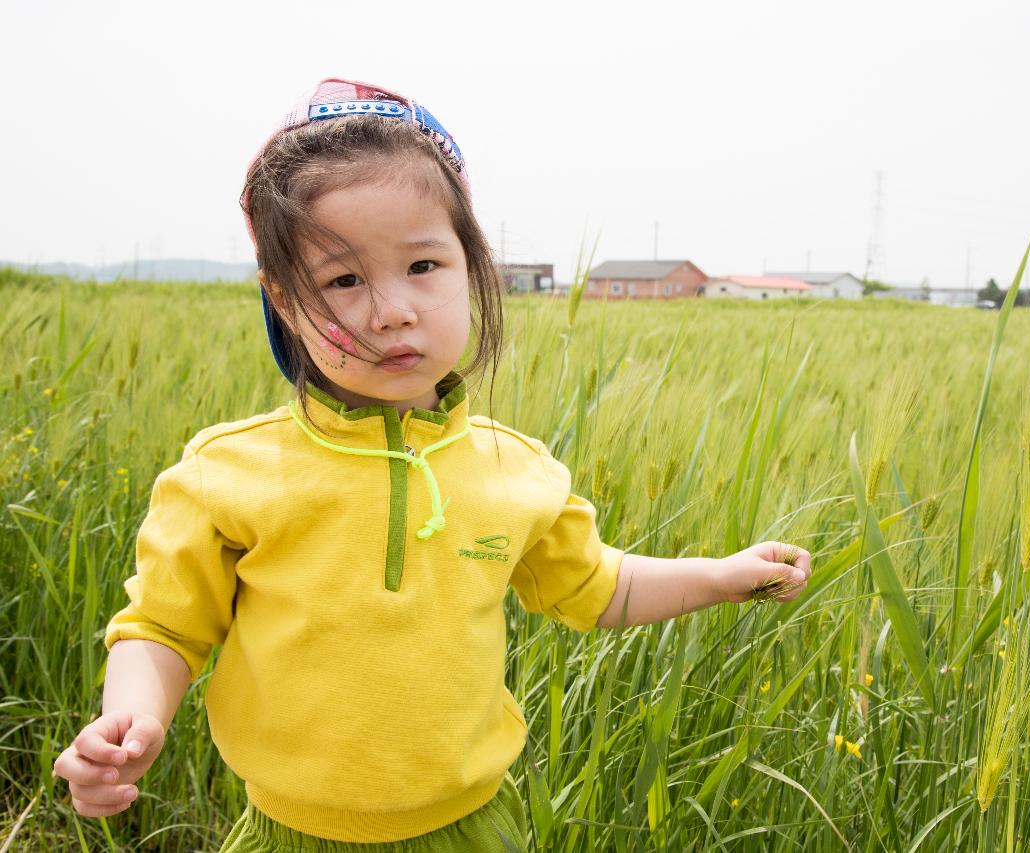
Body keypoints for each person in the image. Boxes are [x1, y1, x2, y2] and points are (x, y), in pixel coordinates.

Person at [52, 77, 812, 851]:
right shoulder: (225, 474)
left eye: (423, 266)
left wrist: (720, 575)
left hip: (473, 829)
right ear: (282, 301)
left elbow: (598, 588)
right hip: (291, 833)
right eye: (343, 280)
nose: (393, 310)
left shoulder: (513, 469)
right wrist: (133, 716)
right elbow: (162, 628)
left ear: (470, 264)